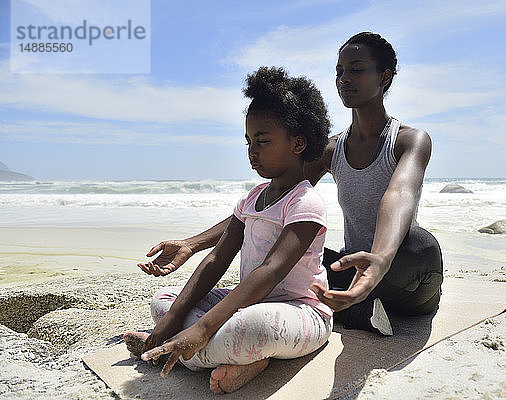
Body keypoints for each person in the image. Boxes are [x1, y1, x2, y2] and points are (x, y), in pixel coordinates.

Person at [139, 32, 443, 337]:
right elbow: (271, 206)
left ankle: (356, 308)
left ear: (385, 78)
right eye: (339, 71)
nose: (344, 79)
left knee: (419, 245)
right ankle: (354, 309)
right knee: (289, 246)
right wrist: (191, 245)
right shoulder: (332, 148)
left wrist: (379, 259)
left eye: (357, 69)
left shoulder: (409, 140)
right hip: (351, 271)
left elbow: (399, 194)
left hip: (402, 275)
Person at [124, 66, 332, 395]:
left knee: (253, 328)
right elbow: (217, 258)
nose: (252, 150)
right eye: (248, 141)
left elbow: (271, 270)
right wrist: (175, 317)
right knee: (163, 302)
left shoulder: (306, 203)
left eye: (262, 141)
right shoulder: (252, 199)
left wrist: (204, 327)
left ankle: (179, 348)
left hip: (300, 311)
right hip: (247, 304)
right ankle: (213, 351)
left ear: (298, 143)